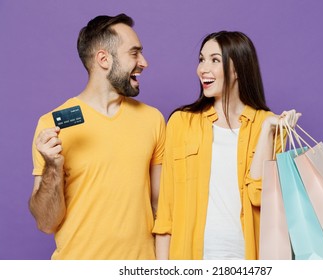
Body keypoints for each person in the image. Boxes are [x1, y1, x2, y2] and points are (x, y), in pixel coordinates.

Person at [153, 31, 300, 260]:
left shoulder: (267, 125)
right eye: (201, 59)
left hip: (248, 258)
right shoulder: (181, 123)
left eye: (214, 60)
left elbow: (259, 198)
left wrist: (267, 133)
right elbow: (166, 214)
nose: (202, 69)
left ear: (238, 69)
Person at [29, 14, 165, 260]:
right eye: (134, 53)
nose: (144, 62)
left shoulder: (153, 119)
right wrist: (52, 166)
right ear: (104, 59)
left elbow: (162, 209)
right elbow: (47, 223)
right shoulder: (51, 124)